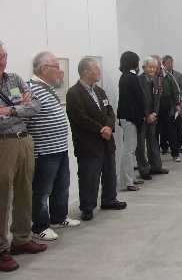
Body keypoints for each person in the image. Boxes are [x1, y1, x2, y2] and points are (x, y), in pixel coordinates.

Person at [0, 41, 47, 272]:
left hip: (24, 140)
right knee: (2, 196)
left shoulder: (14, 79)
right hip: (4, 144)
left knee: (25, 190)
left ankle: (21, 238)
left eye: (2, 56)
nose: (1, 61)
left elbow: (35, 106)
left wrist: (10, 110)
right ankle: (1, 248)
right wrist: (21, 109)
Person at [26, 52, 80, 243]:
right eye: (56, 67)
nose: (60, 71)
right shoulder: (30, 89)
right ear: (43, 69)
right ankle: (40, 226)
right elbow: (25, 118)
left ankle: (58, 217)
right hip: (44, 150)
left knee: (61, 186)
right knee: (42, 190)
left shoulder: (48, 88)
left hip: (59, 147)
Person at [66, 57, 127, 221]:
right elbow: (80, 118)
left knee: (109, 172)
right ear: (86, 71)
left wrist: (109, 127)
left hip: (106, 141)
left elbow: (110, 111)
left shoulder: (100, 91)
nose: (99, 72)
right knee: (89, 176)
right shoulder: (74, 93)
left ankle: (109, 199)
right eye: (96, 69)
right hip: (88, 143)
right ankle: (87, 207)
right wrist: (101, 129)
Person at [136, 57, 169, 179]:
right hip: (142, 117)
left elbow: (158, 99)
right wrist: (146, 116)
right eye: (150, 67)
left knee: (153, 141)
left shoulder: (156, 80)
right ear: (144, 67)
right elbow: (138, 101)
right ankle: (144, 170)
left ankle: (156, 166)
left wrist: (154, 113)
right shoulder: (138, 81)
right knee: (140, 144)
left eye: (154, 68)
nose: (152, 70)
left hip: (153, 116)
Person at [117, 51, 145, 192]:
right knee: (129, 150)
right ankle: (127, 181)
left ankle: (130, 178)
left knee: (130, 149)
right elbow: (137, 100)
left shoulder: (125, 77)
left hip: (128, 117)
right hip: (130, 118)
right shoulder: (131, 77)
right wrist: (141, 116)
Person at [157, 56, 182, 162]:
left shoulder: (168, 76)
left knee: (171, 131)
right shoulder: (149, 77)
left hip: (167, 107)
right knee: (155, 133)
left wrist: (177, 104)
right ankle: (155, 156)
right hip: (154, 108)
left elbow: (176, 91)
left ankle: (175, 154)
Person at [162, 55, 182, 154]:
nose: (170, 65)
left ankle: (178, 146)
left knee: (178, 125)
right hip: (164, 105)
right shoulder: (160, 75)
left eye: (171, 62)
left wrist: (176, 99)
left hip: (176, 105)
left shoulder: (178, 75)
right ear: (163, 64)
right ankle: (164, 146)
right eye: (168, 63)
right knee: (164, 126)